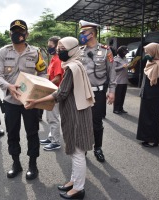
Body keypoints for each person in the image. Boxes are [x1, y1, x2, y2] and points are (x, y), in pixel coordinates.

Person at [25, 37, 95, 200]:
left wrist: (36, 101)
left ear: (72, 49)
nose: (58, 50)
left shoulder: (72, 67)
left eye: (62, 48)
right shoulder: (76, 64)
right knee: (74, 151)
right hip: (76, 111)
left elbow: (61, 93)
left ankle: (78, 189)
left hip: (76, 114)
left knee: (77, 152)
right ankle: (74, 181)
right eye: (58, 47)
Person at [0, 19, 47, 180]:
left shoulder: (35, 52)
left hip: (29, 102)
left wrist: (39, 89)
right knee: (12, 133)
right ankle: (16, 163)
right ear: (10, 33)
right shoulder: (2, 52)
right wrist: (8, 86)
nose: (17, 34)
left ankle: (33, 164)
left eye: (20, 31)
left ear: (26, 34)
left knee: (32, 133)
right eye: (13, 31)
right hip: (10, 102)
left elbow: (43, 72)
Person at [78, 20, 116, 162]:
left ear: (92, 34)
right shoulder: (79, 51)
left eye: (84, 32)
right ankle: (84, 147)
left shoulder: (106, 51)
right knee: (82, 121)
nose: (81, 35)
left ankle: (98, 147)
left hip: (98, 93)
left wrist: (112, 91)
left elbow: (111, 73)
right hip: (81, 93)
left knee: (96, 123)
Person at [136, 43, 159, 147]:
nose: (146, 53)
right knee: (144, 118)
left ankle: (153, 140)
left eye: (148, 51)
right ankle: (145, 138)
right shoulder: (150, 62)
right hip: (145, 95)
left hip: (155, 97)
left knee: (152, 118)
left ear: (155, 51)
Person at [40, 36, 64, 151]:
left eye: (50, 46)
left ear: (57, 46)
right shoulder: (54, 58)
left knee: (53, 118)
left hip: (55, 91)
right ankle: (51, 137)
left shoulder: (58, 59)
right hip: (51, 90)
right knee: (50, 117)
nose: (49, 48)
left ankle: (55, 142)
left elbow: (58, 78)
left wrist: (46, 83)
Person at [113, 46, 129, 114]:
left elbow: (127, 65)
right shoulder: (116, 59)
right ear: (121, 52)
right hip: (118, 81)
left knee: (122, 95)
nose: (125, 53)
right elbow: (114, 69)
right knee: (118, 96)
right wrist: (122, 66)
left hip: (125, 80)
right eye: (124, 52)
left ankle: (121, 108)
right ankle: (116, 109)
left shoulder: (125, 58)